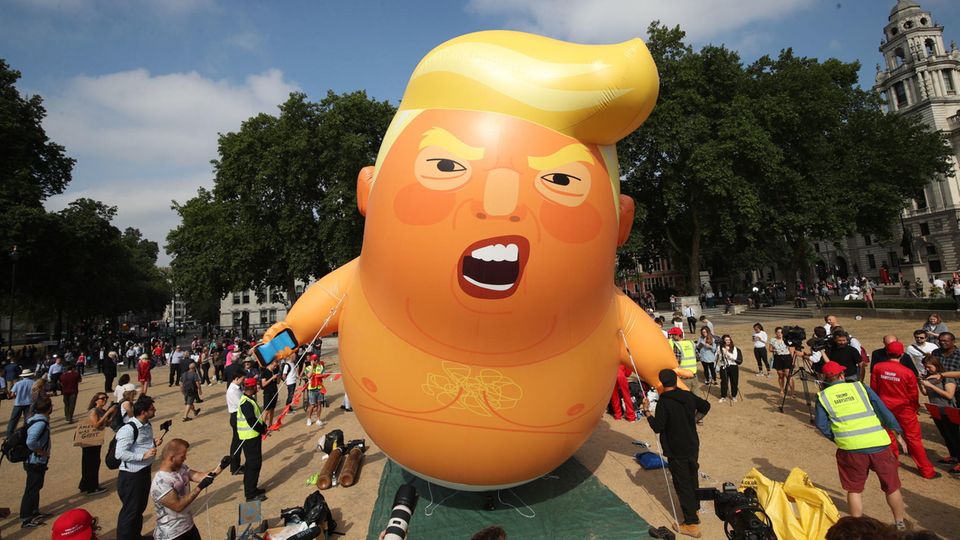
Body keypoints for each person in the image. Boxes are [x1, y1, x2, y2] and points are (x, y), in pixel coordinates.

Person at [815, 361, 907, 531]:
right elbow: (882, 410)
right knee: (892, 487)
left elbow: (821, 424)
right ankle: (900, 522)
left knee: (854, 489)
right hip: (879, 443)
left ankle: (856, 528)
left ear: (825, 379)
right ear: (842, 375)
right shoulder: (860, 387)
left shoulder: (823, 397)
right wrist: (897, 431)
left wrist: (838, 438)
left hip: (850, 449)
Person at [641, 369, 710, 538]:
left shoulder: (665, 402)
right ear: (676, 380)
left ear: (662, 383)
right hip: (692, 445)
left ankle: (691, 524)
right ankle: (694, 509)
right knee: (692, 476)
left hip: (676, 449)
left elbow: (658, 427)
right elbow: (706, 406)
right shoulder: (686, 395)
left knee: (682, 484)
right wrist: (693, 420)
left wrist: (647, 412)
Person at [870, 341, 939, 479]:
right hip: (905, 409)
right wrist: (914, 408)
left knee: (888, 436)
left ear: (887, 353)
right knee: (913, 439)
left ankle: (892, 463)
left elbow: (874, 390)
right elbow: (913, 394)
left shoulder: (878, 367)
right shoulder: (907, 372)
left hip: (884, 408)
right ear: (902, 354)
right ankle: (926, 470)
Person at [151, 438, 218, 540]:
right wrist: (199, 488)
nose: (185, 458)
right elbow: (178, 506)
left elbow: (200, 476)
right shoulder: (160, 482)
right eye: (182, 456)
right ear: (171, 457)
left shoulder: (181, 468)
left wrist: (220, 467)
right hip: (172, 535)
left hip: (189, 527)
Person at [116, 395, 160, 539]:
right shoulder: (128, 429)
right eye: (152, 409)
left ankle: (135, 536)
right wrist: (142, 456)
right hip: (131, 476)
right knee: (130, 511)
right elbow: (120, 453)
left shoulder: (147, 424)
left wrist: (153, 442)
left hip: (143, 472)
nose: (155, 410)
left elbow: (140, 445)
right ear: (143, 412)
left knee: (139, 508)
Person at [919, 356, 959, 472]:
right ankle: (953, 456)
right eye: (926, 366)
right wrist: (921, 383)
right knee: (946, 435)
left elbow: (949, 395)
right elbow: (926, 393)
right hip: (936, 410)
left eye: (929, 366)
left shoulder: (946, 378)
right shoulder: (929, 377)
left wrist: (930, 385)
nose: (927, 369)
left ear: (936, 364)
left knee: (955, 436)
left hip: (948, 411)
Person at [19, 395, 52, 529]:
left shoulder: (34, 419)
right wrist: (40, 451)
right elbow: (30, 441)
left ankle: (34, 511)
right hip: (35, 460)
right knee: (31, 488)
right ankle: (26, 517)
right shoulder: (40, 422)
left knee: (36, 486)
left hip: (34, 460)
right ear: (49, 408)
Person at [238, 377, 268, 502]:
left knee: (255, 464)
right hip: (249, 437)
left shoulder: (249, 399)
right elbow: (251, 421)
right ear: (251, 388)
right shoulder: (246, 402)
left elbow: (256, 418)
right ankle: (250, 494)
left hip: (253, 435)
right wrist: (262, 430)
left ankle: (253, 488)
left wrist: (263, 427)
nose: (257, 388)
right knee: (253, 465)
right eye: (256, 386)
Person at [79, 392, 115, 494]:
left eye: (105, 398)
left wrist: (112, 414)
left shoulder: (101, 410)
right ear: (96, 400)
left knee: (93, 462)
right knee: (91, 463)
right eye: (102, 398)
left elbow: (107, 424)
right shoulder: (94, 411)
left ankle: (85, 485)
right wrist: (107, 414)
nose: (104, 400)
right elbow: (96, 425)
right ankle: (91, 487)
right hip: (90, 441)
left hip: (95, 440)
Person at [667, 327, 699, 394]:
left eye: (672, 335)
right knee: (696, 399)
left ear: (677, 335)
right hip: (694, 376)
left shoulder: (677, 345)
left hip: (683, 378)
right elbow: (698, 358)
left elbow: (676, 362)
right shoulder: (691, 343)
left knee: (685, 399)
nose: (671, 337)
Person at [7, 368, 35, 438]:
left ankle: (9, 435)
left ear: (23, 376)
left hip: (18, 403)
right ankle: (26, 433)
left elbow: (12, 394)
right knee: (27, 419)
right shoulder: (33, 383)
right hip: (29, 403)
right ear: (30, 375)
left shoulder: (17, 383)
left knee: (13, 420)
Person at [226, 371, 245, 475]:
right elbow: (240, 404)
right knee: (237, 443)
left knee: (238, 442)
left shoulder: (236, 388)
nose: (243, 381)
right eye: (242, 379)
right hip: (236, 416)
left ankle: (236, 465)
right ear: (236, 378)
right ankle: (235, 467)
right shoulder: (232, 391)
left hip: (237, 416)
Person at [769, 327, 794, 397]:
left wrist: (791, 359)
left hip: (787, 357)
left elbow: (791, 349)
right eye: (778, 332)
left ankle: (792, 392)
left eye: (781, 332)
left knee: (788, 375)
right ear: (776, 333)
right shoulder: (772, 340)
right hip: (778, 358)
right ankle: (782, 390)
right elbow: (770, 349)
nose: (780, 334)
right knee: (780, 375)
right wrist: (774, 350)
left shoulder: (786, 339)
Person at [717, 335, 742, 403]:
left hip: (733, 366)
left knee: (734, 382)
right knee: (724, 382)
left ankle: (734, 396)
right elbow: (717, 356)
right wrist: (720, 352)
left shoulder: (734, 348)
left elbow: (735, 358)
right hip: (723, 366)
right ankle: (723, 396)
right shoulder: (720, 348)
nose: (728, 341)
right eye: (726, 340)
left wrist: (727, 353)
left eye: (729, 340)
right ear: (723, 341)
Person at [304, 354, 326, 427]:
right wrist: (312, 366)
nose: (316, 361)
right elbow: (309, 376)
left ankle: (318, 419)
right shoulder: (308, 368)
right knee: (312, 405)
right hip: (312, 389)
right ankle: (309, 419)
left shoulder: (321, 367)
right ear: (312, 360)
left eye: (317, 359)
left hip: (319, 388)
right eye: (315, 360)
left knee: (319, 404)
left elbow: (323, 375)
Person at [260, 361, 280, 427]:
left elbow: (278, 382)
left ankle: (270, 425)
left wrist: (278, 377)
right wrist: (272, 378)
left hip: (274, 392)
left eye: (276, 366)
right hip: (267, 393)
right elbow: (263, 384)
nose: (275, 367)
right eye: (274, 366)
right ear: (270, 364)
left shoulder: (274, 371)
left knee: (272, 409)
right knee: (266, 410)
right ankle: (263, 427)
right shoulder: (265, 372)